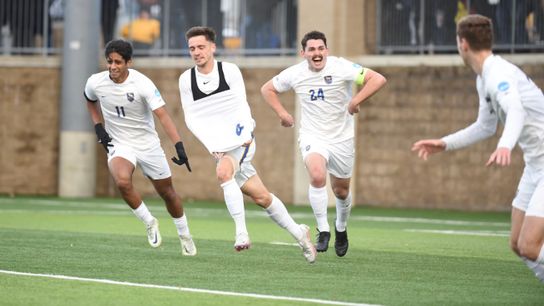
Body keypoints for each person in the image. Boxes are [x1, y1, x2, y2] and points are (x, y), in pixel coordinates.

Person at [412, 14, 544, 283]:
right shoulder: (484, 78)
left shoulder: (498, 74)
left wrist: (505, 145)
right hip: (535, 165)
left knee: (530, 245)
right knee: (518, 245)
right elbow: (485, 126)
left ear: (462, 43)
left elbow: (516, 109)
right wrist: (445, 143)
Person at [178, 26, 316, 263]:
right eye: (192, 48)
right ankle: (300, 233)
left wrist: (245, 134)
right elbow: (192, 118)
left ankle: (241, 233)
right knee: (261, 197)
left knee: (223, 172)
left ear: (213, 47)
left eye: (201, 47)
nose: (197, 52)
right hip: (219, 145)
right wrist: (212, 145)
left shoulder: (229, 71)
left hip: (242, 138)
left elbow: (241, 107)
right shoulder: (186, 80)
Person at [261, 31, 387, 257]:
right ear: (304, 53)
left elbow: (377, 79)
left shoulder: (341, 67)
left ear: (326, 51)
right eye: (311, 49)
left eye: (320, 48)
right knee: (317, 175)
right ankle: (324, 230)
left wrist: (355, 101)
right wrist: (281, 113)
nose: (316, 53)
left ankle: (340, 227)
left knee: (341, 191)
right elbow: (267, 89)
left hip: (341, 138)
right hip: (312, 136)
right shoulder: (295, 73)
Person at [84, 39, 196, 256]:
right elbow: (89, 99)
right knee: (123, 182)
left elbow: (163, 116)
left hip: (148, 145)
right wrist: (99, 127)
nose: (113, 67)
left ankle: (185, 235)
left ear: (128, 62)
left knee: (167, 193)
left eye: (118, 62)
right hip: (120, 144)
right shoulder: (95, 82)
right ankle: (149, 221)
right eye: (109, 61)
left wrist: (179, 146)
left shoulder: (142, 84)